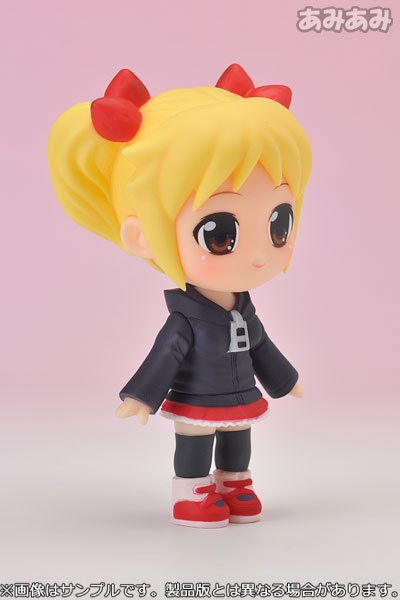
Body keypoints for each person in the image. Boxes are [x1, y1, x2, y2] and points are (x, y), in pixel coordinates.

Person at [47, 64, 312, 528]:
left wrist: (284, 379)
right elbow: (165, 354)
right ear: (143, 237)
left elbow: (262, 346)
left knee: (239, 438)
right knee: (195, 441)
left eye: (278, 224)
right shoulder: (187, 321)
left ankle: (235, 482)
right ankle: (192, 492)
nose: (258, 255)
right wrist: (141, 396)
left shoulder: (243, 311)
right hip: (197, 396)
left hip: (240, 394)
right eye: (220, 233)